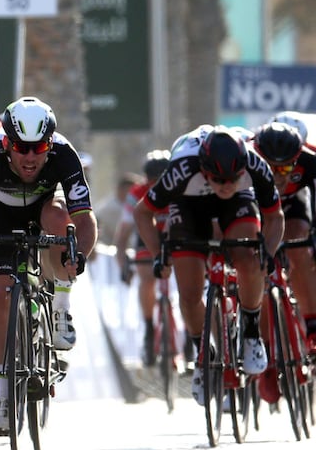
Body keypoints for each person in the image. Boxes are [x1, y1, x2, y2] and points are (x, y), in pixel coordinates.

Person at [0, 96, 97, 433]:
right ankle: (0, 389)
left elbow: (84, 219)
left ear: (50, 143)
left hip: (44, 209)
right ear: (6, 142)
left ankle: (60, 303)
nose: (30, 157)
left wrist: (79, 254)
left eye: (39, 147)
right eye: (21, 147)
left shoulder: (64, 153)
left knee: (60, 219)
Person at [133, 125, 283, 406]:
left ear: (242, 169)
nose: (225, 185)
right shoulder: (181, 170)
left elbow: (275, 218)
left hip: (239, 204)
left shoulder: (254, 165)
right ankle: (203, 355)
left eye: (233, 178)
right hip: (188, 206)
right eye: (218, 179)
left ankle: (251, 331)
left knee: (248, 258)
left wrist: (269, 253)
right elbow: (143, 213)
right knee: (189, 292)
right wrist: (158, 255)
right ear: (204, 169)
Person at [252, 121, 316, 400]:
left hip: (291, 208)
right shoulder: (246, 158)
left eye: (286, 169)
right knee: (259, 270)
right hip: (257, 207)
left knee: (299, 251)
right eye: (271, 167)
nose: (278, 175)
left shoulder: (310, 161)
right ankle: (266, 355)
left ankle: (312, 328)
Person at [114, 149, 171, 367]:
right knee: (147, 278)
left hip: (176, 233)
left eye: (161, 180)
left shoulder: (178, 188)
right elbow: (124, 234)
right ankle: (149, 327)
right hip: (148, 238)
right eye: (152, 181)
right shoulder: (137, 193)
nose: (156, 186)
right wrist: (123, 265)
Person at [95, 171, 141, 247]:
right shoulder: (110, 208)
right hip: (108, 250)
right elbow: (120, 235)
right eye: (130, 190)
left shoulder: (129, 205)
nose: (133, 194)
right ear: (120, 189)